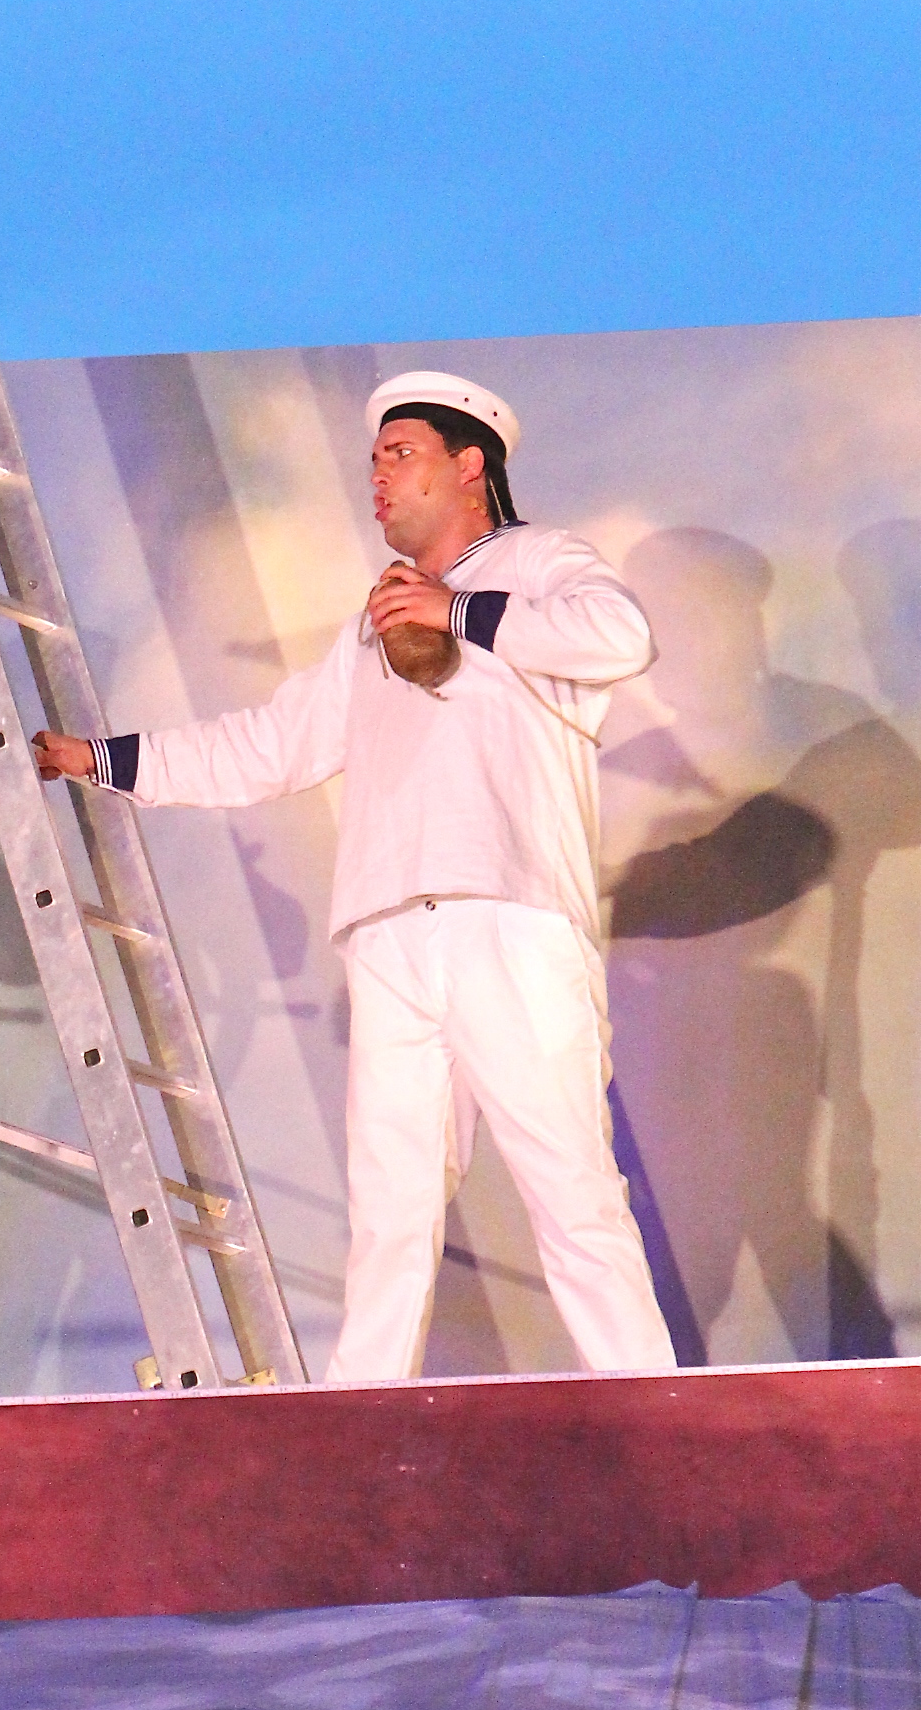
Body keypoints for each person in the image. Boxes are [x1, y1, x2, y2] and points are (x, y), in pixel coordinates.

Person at [34, 369, 679, 1385]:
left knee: (572, 1190)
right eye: (373, 459)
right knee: (389, 1209)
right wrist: (103, 761)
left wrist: (456, 610)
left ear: (470, 466)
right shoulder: (370, 624)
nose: (377, 477)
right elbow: (271, 746)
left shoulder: (541, 563)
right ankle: (356, 1422)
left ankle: (656, 1410)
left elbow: (620, 638)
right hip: (385, 929)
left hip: (506, 917)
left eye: (400, 455)